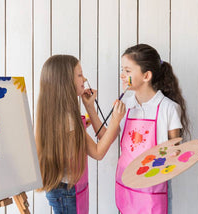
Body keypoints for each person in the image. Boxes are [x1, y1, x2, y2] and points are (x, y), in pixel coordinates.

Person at [36, 54, 125, 214]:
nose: (84, 79)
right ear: (65, 82)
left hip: (65, 190)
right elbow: (98, 153)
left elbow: (102, 136)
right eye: (79, 75)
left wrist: (90, 107)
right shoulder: (68, 120)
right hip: (67, 192)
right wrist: (115, 120)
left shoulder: (58, 113)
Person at [115, 44, 190, 214]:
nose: (122, 75)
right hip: (126, 183)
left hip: (153, 188)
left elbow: (175, 146)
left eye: (127, 71)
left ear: (146, 75)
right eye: (122, 70)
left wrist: (174, 154)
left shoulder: (168, 108)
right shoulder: (125, 104)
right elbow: (107, 136)